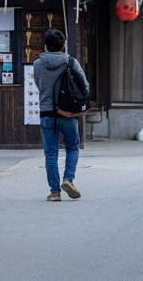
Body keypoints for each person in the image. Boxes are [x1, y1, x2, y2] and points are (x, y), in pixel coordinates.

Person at [33, 29, 87, 201]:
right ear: (63, 45)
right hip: (68, 112)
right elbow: (84, 85)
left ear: (46, 46)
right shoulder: (71, 62)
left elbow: (39, 85)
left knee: (50, 153)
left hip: (46, 113)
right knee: (72, 147)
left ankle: (55, 191)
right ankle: (68, 179)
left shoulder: (37, 64)